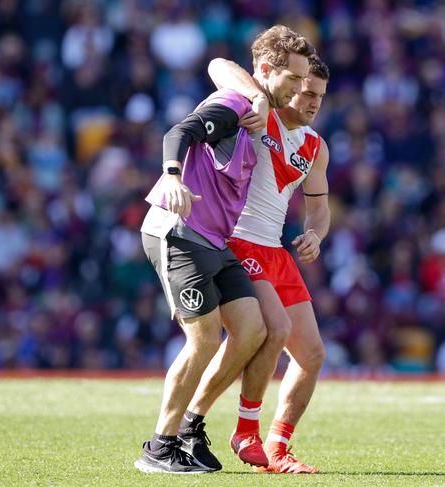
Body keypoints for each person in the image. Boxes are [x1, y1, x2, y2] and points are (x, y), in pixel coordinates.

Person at [135, 25, 313, 474]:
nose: (299, 90)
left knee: (253, 328)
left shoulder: (261, 116)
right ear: (267, 72)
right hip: (178, 231)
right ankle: (160, 446)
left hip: (214, 242)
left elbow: (222, 66)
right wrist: (173, 177)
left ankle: (193, 426)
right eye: (293, 80)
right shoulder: (235, 106)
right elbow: (180, 131)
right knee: (205, 339)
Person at [182, 54, 331, 473]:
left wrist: (315, 234)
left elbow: (319, 208)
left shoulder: (315, 146)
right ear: (288, 84)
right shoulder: (256, 115)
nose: (313, 101)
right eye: (305, 90)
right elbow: (216, 64)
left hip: (276, 251)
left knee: (311, 354)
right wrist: (255, 95)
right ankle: (235, 427)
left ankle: (278, 449)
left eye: (319, 95)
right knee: (272, 330)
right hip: (240, 242)